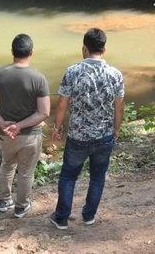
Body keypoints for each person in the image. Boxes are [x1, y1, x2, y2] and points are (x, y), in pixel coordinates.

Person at [49, 28, 124, 230]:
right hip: (104, 135)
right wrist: (116, 130)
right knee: (97, 176)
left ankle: (62, 217)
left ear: (84, 48)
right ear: (104, 49)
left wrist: (57, 128)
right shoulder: (115, 74)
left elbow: (62, 105)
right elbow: (119, 107)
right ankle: (89, 215)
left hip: (78, 137)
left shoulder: (72, 72)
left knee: (68, 176)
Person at [0, 34, 50, 218]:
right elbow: (44, 112)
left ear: (12, 52)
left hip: (6, 133)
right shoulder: (39, 78)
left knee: (7, 164)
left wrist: (1, 121)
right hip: (30, 134)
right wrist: (19, 126)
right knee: (26, 172)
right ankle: (21, 206)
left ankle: (4, 201)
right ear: (31, 53)